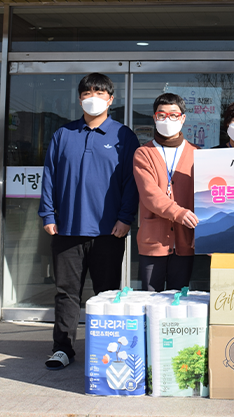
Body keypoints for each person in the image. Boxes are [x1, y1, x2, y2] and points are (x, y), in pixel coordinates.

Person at [39, 73, 140, 370]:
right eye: (87, 92)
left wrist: (125, 218)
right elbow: (49, 178)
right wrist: (48, 214)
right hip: (67, 228)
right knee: (66, 294)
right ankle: (63, 349)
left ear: (111, 99)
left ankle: (106, 350)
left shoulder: (124, 136)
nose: (92, 96)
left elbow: (131, 183)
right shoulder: (63, 134)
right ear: (80, 98)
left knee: (106, 295)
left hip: (109, 231)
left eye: (99, 92)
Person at [133, 93, 199, 292]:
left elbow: (204, 198)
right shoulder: (143, 153)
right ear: (154, 118)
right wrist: (179, 213)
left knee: (179, 300)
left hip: (185, 240)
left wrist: (203, 231)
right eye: (161, 115)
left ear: (183, 118)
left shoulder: (197, 154)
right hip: (154, 241)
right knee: (150, 299)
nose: (167, 120)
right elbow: (150, 195)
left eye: (173, 115)